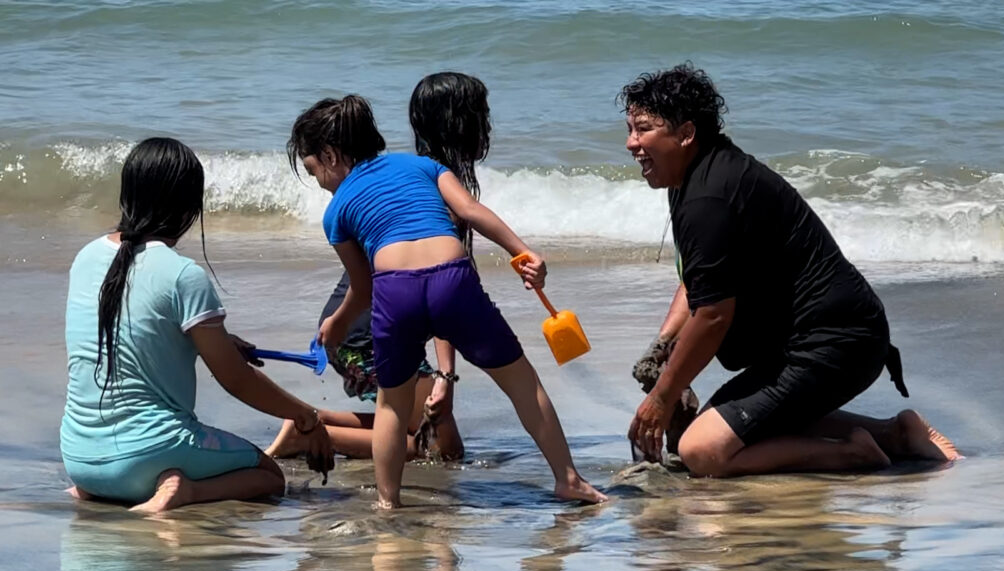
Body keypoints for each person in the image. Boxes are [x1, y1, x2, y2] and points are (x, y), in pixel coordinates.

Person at [622, 64, 960, 477]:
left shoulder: (709, 196)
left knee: (702, 449)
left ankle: (854, 453)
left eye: (643, 130)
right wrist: (664, 345)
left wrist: (661, 397)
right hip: (819, 339)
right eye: (630, 130)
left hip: (835, 343)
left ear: (686, 133)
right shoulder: (693, 177)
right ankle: (896, 435)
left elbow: (712, 316)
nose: (631, 143)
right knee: (713, 431)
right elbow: (699, 278)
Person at [286, 95, 606, 508]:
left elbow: (363, 289)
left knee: (392, 405)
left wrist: (339, 321)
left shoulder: (336, 212)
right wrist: (523, 252)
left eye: (313, 170)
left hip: (396, 290)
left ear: (330, 155)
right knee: (522, 382)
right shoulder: (424, 166)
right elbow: (470, 211)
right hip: (452, 280)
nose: (319, 181)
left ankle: (388, 502)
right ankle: (569, 480)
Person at [60, 138, 334, 513]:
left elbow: (125, 334)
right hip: (147, 453)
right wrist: (306, 417)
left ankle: (102, 488)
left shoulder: (86, 256)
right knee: (269, 475)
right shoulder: (183, 275)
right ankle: (186, 491)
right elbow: (236, 380)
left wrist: (212, 340)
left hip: (79, 457)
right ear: (189, 205)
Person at [268, 72, 493, 464]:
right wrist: (445, 375)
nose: (487, 127)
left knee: (413, 427)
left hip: (359, 327)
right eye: (482, 115)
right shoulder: (436, 186)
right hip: (364, 333)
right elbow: (444, 289)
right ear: (460, 123)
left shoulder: (408, 175)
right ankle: (311, 436)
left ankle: (314, 422)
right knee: (443, 450)